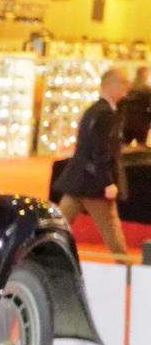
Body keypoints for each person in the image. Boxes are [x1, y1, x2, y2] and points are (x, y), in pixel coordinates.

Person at [55, 68, 132, 261]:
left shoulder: (93, 110)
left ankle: (37, 255)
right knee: (111, 230)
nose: (127, 87)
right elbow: (101, 151)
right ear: (111, 85)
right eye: (123, 83)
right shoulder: (106, 114)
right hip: (94, 183)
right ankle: (127, 270)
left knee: (57, 225)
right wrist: (107, 182)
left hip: (78, 180)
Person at [120, 66, 151, 147]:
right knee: (141, 147)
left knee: (124, 145)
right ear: (145, 75)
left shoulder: (129, 88)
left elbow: (120, 103)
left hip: (126, 122)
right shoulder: (147, 90)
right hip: (142, 123)